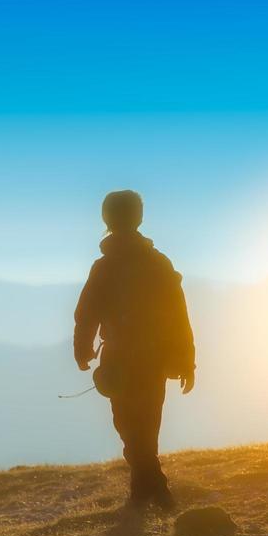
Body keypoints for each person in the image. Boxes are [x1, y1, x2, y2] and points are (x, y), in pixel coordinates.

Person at [74, 190, 196, 510]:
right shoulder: (158, 263)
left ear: (106, 219)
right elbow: (179, 316)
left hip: (118, 357)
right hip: (153, 358)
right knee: (146, 423)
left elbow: (87, 313)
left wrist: (83, 349)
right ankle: (149, 488)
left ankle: (152, 487)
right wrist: (186, 360)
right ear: (139, 217)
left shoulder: (104, 266)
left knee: (128, 425)